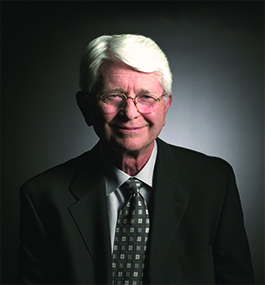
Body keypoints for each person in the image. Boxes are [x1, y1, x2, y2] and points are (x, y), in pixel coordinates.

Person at [17, 34, 255, 285]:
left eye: (146, 97)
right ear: (85, 106)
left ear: (166, 106)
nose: (130, 113)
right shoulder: (42, 197)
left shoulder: (214, 182)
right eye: (113, 95)